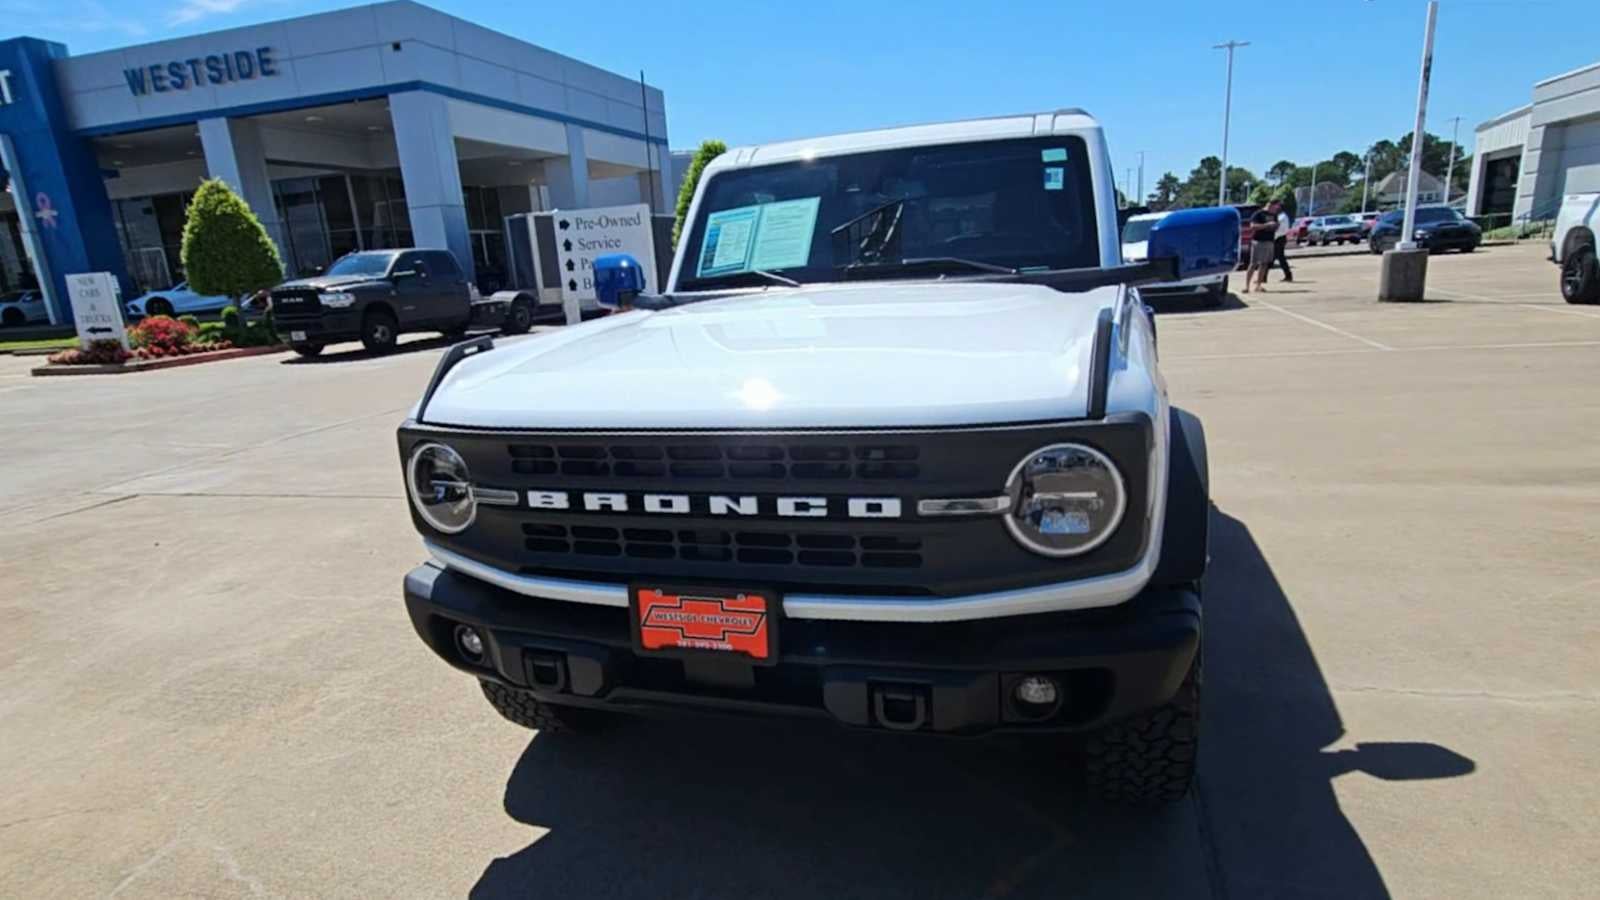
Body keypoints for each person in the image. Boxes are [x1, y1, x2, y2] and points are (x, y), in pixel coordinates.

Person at [1243, 205, 1277, 293]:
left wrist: (1275, 226)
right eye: (1275, 207)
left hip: (1269, 241)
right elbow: (1252, 226)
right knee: (1253, 264)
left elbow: (1276, 226)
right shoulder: (1258, 214)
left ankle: (1258, 285)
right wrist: (1266, 225)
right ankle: (1247, 286)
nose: (1276, 209)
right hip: (1258, 241)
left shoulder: (1274, 215)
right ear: (1269, 205)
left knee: (1264, 264)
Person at [1271, 200, 1294, 282]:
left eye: (1277, 206)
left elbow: (1279, 230)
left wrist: (1273, 237)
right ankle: (1263, 277)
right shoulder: (1281, 216)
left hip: (1279, 239)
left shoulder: (1282, 217)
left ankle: (1288, 275)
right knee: (1272, 258)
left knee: (1280, 258)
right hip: (1279, 238)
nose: (1275, 208)